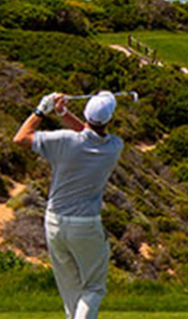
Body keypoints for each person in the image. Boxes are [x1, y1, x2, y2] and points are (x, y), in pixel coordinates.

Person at [13, 91, 124, 319]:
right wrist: (63, 113)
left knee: (70, 289)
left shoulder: (64, 140)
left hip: (54, 222)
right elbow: (88, 133)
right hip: (85, 225)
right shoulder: (114, 146)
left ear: (86, 113)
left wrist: (41, 110)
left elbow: (21, 137)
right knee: (94, 287)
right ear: (109, 119)